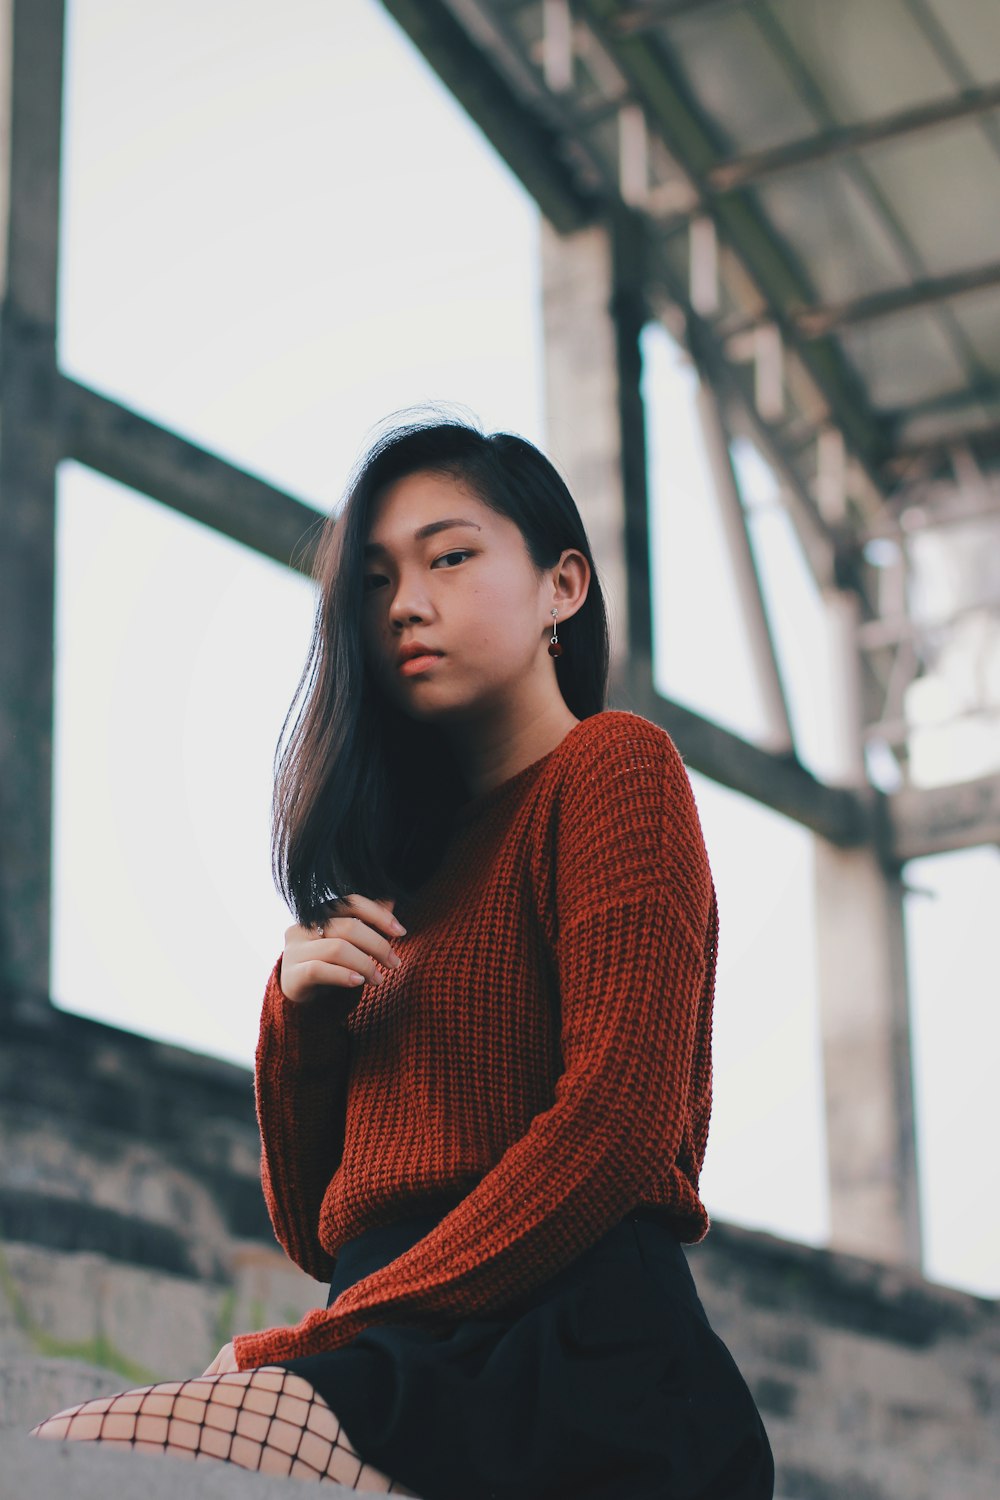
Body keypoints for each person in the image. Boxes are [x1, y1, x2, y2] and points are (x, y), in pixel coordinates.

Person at [29, 410, 774, 1498]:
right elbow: (322, 1227)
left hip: (569, 1368)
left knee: (82, 1459)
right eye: (375, 582)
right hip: (403, 1349)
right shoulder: (398, 877)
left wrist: (323, 1340)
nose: (407, 605)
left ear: (562, 586)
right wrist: (299, 1023)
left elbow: (615, 1128)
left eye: (452, 557)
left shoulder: (610, 769)